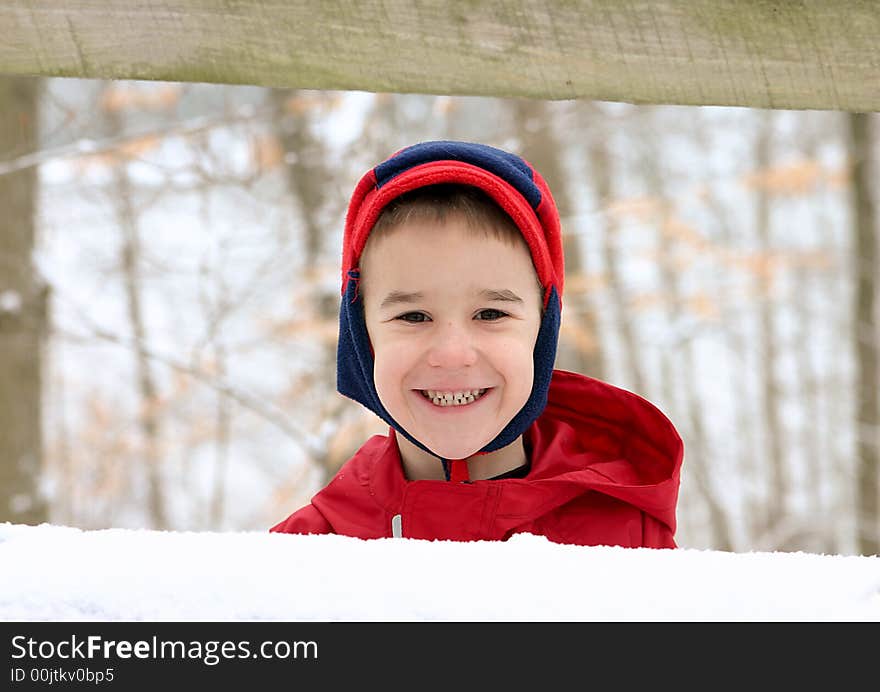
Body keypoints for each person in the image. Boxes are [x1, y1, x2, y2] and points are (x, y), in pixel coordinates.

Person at [271, 140, 683, 547]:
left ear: (543, 327)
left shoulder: (627, 541)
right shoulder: (307, 552)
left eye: (491, 314)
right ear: (364, 337)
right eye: (413, 316)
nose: (453, 355)